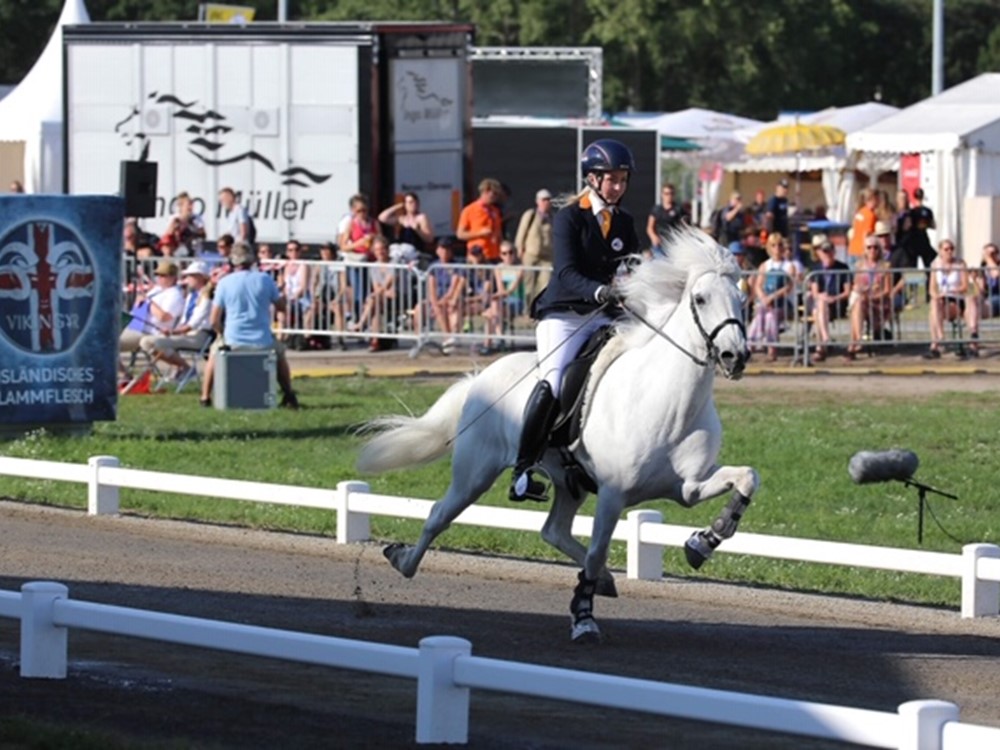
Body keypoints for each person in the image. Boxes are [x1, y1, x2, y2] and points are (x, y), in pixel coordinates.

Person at [509, 139, 638, 503]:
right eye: (612, 180)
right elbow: (565, 272)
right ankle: (523, 469)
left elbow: (632, 265)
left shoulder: (624, 221)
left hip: (602, 316)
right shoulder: (568, 217)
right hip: (564, 315)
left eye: (623, 180)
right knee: (552, 381)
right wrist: (601, 292)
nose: (618, 187)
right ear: (593, 179)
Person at [200, 241, 299, 409]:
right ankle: (288, 393)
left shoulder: (224, 283)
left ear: (232, 261)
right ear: (252, 259)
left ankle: (205, 398)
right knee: (280, 355)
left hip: (233, 340)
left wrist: (220, 333)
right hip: (262, 340)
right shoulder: (265, 279)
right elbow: (281, 307)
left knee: (213, 355)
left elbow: (213, 320)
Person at [139, 261, 214, 385]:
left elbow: (193, 324)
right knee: (147, 342)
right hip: (186, 334)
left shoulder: (207, 297)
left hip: (199, 336)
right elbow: (185, 320)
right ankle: (183, 367)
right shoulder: (191, 295)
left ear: (201, 277)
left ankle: (186, 368)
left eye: (190, 276)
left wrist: (174, 331)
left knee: (153, 342)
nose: (187, 279)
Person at [924, 239, 978, 359]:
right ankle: (938, 339)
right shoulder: (935, 264)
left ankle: (973, 337)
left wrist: (951, 290)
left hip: (957, 298)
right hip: (943, 300)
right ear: (940, 251)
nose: (949, 252)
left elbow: (965, 286)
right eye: (946, 249)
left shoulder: (960, 263)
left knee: (971, 300)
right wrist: (937, 295)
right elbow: (931, 288)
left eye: (951, 249)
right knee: (934, 304)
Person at [844, 234, 893, 361]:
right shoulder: (860, 266)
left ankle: (853, 345)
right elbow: (856, 285)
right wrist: (862, 290)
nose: (872, 250)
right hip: (864, 301)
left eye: (875, 247)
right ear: (865, 250)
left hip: (879, 303)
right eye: (869, 247)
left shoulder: (885, 266)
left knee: (857, 305)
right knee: (858, 304)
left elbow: (888, 290)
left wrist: (873, 296)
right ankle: (857, 340)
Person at [746, 233, 792, 362]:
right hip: (766, 303)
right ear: (769, 247)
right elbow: (758, 285)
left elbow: (789, 287)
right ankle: (750, 345)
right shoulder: (765, 265)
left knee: (771, 316)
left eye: (780, 245)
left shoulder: (789, 266)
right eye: (773, 245)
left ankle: (772, 348)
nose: (777, 248)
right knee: (761, 314)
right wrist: (764, 298)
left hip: (782, 303)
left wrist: (772, 297)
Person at [808, 239, 851, 362]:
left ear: (834, 252)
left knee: (818, 311)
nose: (827, 254)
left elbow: (847, 291)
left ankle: (820, 348)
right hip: (822, 304)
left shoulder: (843, 267)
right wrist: (823, 297)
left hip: (838, 304)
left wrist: (834, 298)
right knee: (819, 306)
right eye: (824, 252)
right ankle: (825, 340)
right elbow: (815, 292)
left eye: (830, 251)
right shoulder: (815, 269)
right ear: (819, 253)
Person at [482, 240, 526, 355]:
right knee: (492, 313)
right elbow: (501, 288)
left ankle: (489, 344)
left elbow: (511, 289)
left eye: (511, 252)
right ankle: (497, 339)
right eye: (504, 253)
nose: (508, 256)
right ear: (500, 255)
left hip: (515, 301)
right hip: (502, 301)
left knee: (491, 311)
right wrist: (497, 295)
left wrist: (495, 296)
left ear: (515, 253)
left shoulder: (520, 268)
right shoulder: (498, 268)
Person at [514, 188, 555, 308]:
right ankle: (528, 309)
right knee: (529, 285)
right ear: (537, 201)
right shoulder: (530, 215)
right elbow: (521, 232)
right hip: (530, 254)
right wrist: (520, 249)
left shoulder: (553, 217)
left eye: (548, 200)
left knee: (545, 284)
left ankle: (541, 308)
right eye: (543, 200)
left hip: (547, 256)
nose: (546, 202)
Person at [456, 178, 503, 263]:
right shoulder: (469, 210)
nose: (495, 197)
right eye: (494, 194)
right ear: (485, 192)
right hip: (477, 257)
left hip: (494, 255)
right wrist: (480, 233)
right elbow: (460, 234)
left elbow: (499, 233)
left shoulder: (495, 211)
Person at [377, 191, 434, 261]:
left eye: (414, 202)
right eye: (410, 202)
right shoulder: (402, 219)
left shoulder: (421, 218)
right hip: (402, 252)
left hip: (415, 253)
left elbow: (429, 239)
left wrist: (417, 230)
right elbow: (382, 218)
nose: (413, 205)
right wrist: (398, 206)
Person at [646, 183, 685, 255]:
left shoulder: (678, 209)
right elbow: (650, 227)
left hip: (674, 244)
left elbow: (683, 227)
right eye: (666, 193)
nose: (669, 196)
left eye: (671, 193)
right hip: (660, 244)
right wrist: (654, 237)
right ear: (662, 195)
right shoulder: (656, 210)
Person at [908, 187, 937, 267]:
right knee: (914, 263)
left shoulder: (913, 211)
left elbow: (933, 225)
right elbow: (933, 225)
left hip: (921, 239)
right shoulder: (913, 211)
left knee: (927, 262)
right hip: (915, 239)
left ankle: (929, 278)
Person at [848, 188, 878, 260]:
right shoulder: (871, 215)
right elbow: (866, 234)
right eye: (877, 199)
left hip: (852, 249)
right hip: (861, 252)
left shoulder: (860, 212)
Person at [976, 242, 1000, 321]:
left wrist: (988, 258)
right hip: (988, 297)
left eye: (992, 253)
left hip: (997, 296)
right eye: (987, 253)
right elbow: (981, 289)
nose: (990, 256)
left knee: (991, 302)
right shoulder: (983, 269)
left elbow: (996, 274)